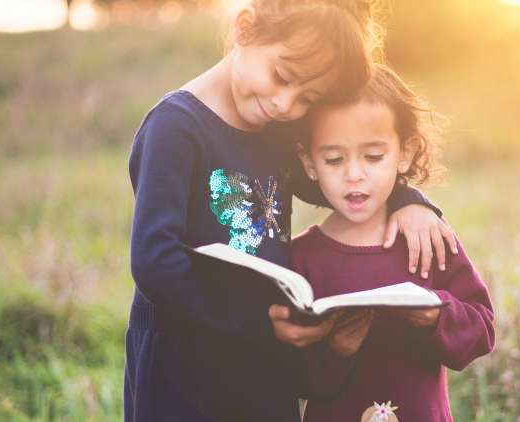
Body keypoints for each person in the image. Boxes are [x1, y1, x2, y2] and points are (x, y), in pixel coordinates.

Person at [124, 2, 458, 421]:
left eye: (308, 98)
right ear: (245, 28)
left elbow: (340, 188)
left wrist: (412, 202)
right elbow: (155, 261)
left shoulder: (275, 131)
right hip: (185, 363)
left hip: (264, 361)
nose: (286, 104)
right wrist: (260, 321)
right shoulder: (176, 128)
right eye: (282, 77)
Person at [294, 64, 495, 422]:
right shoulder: (302, 259)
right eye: (334, 159)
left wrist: (437, 314)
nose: (354, 173)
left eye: (373, 157)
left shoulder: (426, 237)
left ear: (404, 152)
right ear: (309, 161)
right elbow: (290, 375)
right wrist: (335, 350)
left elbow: (482, 329)